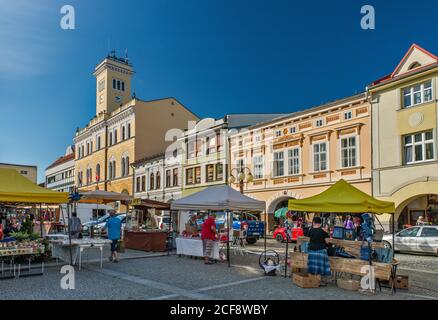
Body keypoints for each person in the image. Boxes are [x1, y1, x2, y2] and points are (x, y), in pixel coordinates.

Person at [305, 217, 331, 284]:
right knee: (319, 268)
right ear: (320, 223)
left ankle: (311, 281)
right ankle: (318, 282)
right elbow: (327, 242)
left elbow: (307, 240)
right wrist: (327, 233)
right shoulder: (323, 231)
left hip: (311, 251)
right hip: (321, 251)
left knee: (311, 267)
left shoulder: (310, 230)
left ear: (313, 222)